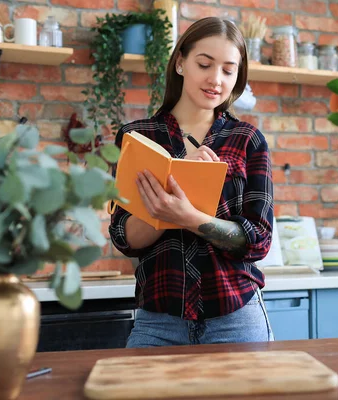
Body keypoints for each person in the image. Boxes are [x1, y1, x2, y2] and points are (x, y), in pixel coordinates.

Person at [109, 16, 275, 348]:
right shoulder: (137, 137)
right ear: (181, 62)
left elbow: (258, 241)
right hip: (158, 322)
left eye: (228, 71)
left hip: (237, 319)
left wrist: (190, 217)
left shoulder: (248, 140)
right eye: (204, 64)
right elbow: (123, 236)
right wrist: (166, 204)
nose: (216, 79)